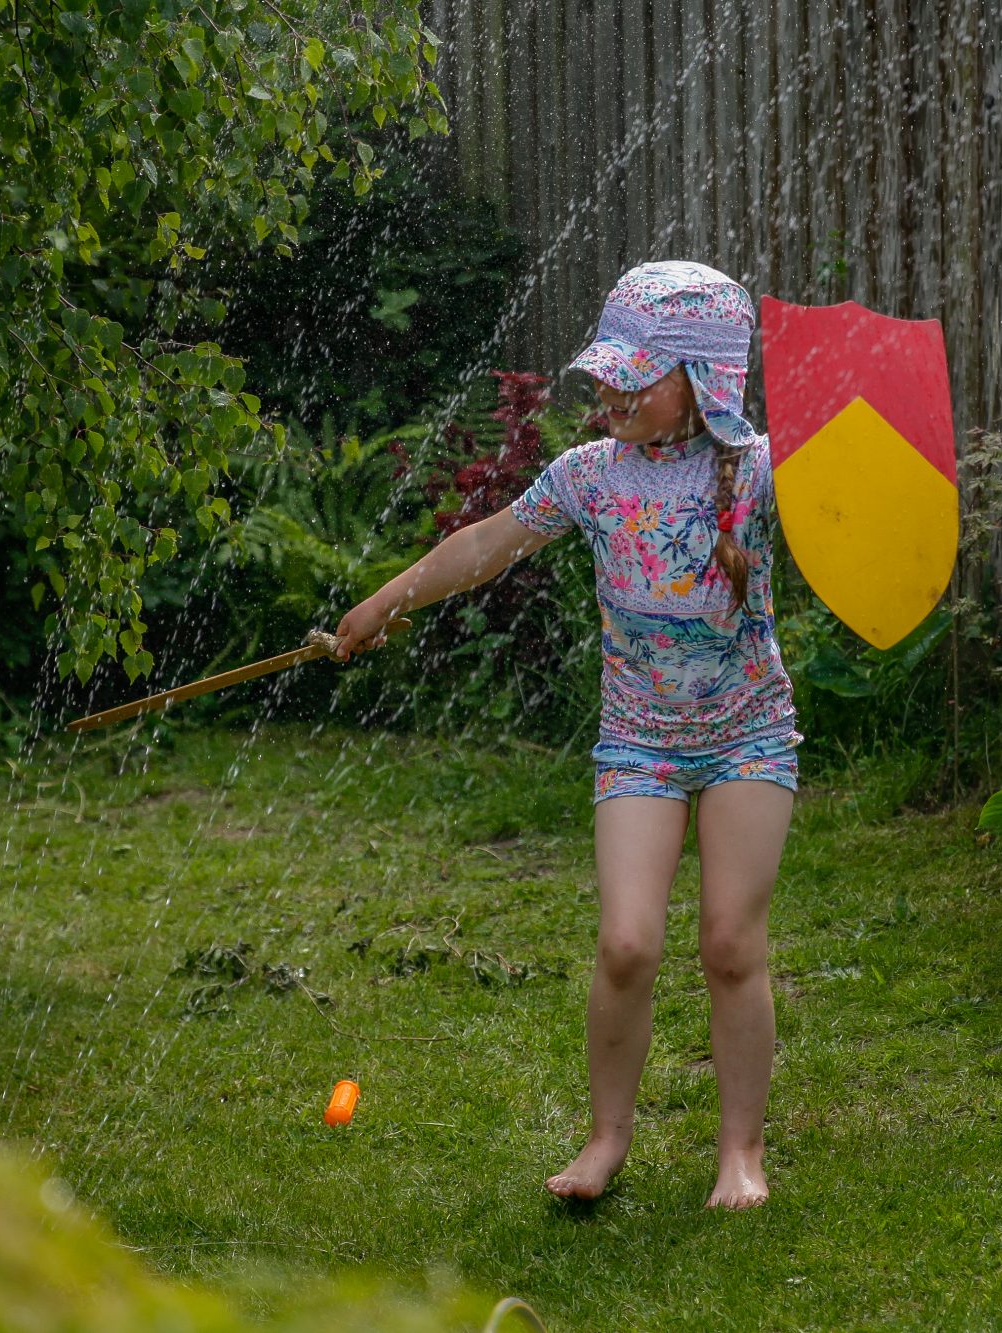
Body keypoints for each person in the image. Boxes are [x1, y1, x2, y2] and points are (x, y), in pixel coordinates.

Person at [334, 261, 799, 1211]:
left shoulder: (755, 473)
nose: (613, 389)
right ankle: (605, 1139)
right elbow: (481, 546)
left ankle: (741, 1153)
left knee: (728, 944)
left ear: (704, 382)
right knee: (627, 943)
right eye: (609, 370)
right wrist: (383, 602)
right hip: (637, 741)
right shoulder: (589, 477)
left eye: (641, 372)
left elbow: (849, 526)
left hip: (749, 732)